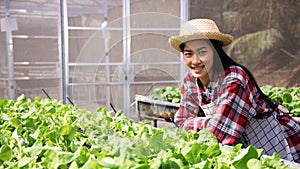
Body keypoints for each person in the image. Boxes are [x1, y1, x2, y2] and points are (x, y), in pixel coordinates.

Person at [168, 18, 300, 162]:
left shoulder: (234, 79)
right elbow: (181, 120)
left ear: (215, 52)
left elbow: (218, 133)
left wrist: (199, 122)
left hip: (269, 143)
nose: (195, 61)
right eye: (188, 54)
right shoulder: (191, 80)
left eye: (202, 52)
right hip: (240, 150)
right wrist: (210, 122)